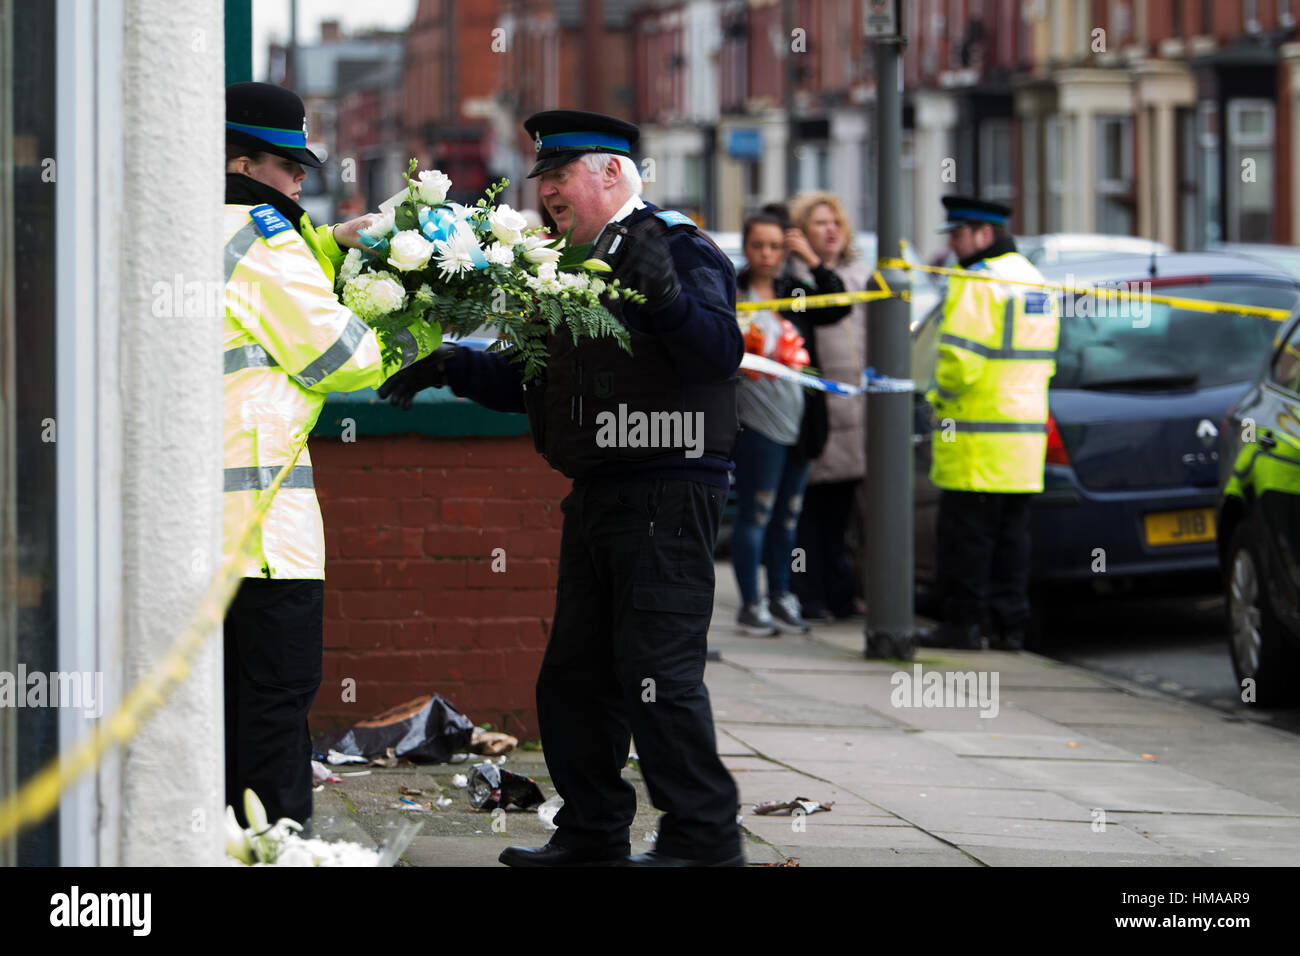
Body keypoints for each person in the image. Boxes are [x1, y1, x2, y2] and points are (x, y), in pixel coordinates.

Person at [378, 109, 746, 866]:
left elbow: (718, 355)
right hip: (603, 492)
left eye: (559, 175)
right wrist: (452, 365)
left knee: (657, 675)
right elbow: (537, 381)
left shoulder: (674, 247)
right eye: (542, 176)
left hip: (667, 491)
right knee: (576, 678)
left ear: (611, 173)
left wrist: (669, 297)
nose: (545, 190)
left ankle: (704, 838)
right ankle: (591, 833)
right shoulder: (575, 262)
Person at [222, 82, 439, 826]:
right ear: (245, 165)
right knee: (275, 710)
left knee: (217, 714)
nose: (300, 182)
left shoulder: (195, 228)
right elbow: (342, 358)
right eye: (290, 167)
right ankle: (277, 845)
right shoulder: (261, 235)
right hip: (261, 534)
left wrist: (335, 242)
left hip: (197, 530)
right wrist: (429, 323)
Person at [919, 196, 1059, 650]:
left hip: (975, 439)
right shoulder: (1033, 280)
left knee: (966, 540)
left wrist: (937, 399)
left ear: (984, 234)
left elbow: (960, 364)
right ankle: (1009, 628)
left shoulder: (976, 282)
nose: (953, 246)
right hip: (1022, 442)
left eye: (958, 235)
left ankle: (961, 626)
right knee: (1011, 541)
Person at [732, 209, 849, 635]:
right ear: (746, 248)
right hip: (754, 421)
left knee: (789, 516)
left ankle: (781, 595)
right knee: (756, 514)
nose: (767, 254)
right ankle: (751, 603)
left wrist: (813, 261)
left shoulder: (794, 291)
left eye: (776, 245)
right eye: (758, 245)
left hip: (800, 419)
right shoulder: (734, 291)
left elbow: (838, 306)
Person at [786, 192, 870, 622]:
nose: (831, 230)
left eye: (835, 222)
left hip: (855, 413)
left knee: (841, 517)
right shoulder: (797, 279)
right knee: (809, 516)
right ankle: (809, 595)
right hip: (817, 414)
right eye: (820, 223)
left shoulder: (860, 274)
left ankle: (840, 594)